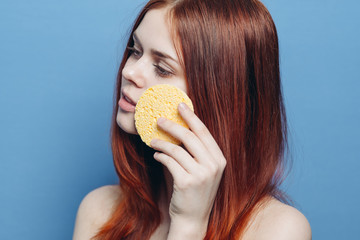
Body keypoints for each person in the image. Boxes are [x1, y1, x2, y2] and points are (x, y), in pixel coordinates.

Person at [73, 0, 312, 239]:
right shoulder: (99, 211)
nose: (128, 71)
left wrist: (188, 225)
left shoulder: (277, 230)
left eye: (163, 68)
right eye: (135, 51)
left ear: (221, 98)